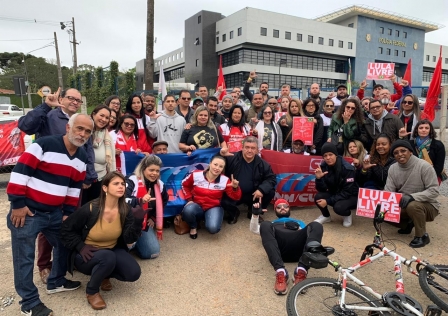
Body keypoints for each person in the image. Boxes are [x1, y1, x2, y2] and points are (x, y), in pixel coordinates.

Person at [7, 113, 92, 316]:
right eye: (79, 128)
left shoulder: (81, 157)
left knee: (65, 243)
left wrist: (68, 214)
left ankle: (56, 281)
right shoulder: (44, 144)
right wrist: (17, 204)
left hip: (54, 213)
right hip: (27, 212)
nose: (82, 134)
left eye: (87, 131)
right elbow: (20, 172)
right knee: (24, 258)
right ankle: (28, 303)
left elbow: (74, 188)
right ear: (68, 128)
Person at [18, 87, 97, 285]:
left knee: (65, 225)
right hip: (44, 184)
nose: (74, 102)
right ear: (61, 98)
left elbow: (86, 151)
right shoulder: (50, 115)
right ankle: (44, 265)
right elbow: (25, 126)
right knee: (44, 228)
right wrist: (45, 105)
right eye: (71, 98)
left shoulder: (83, 122)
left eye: (78, 100)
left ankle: (61, 270)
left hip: (70, 184)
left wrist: (88, 177)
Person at [60, 171, 143, 310]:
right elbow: (65, 230)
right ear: (105, 188)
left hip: (111, 249)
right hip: (87, 254)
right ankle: (92, 291)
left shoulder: (125, 209)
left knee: (133, 273)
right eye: (116, 184)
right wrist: (80, 246)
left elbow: (129, 239)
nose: (121, 186)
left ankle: (104, 274)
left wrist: (137, 222)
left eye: (123, 184)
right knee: (107, 257)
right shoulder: (91, 208)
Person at [250, 199, 325, 294]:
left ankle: (301, 270)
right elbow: (254, 229)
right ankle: (281, 272)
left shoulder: (299, 222)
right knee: (265, 224)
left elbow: (309, 236)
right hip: (279, 252)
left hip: (300, 251)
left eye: (285, 206)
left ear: (289, 209)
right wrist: (255, 215)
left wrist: (298, 227)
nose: (282, 208)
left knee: (316, 225)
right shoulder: (272, 224)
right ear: (275, 210)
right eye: (279, 207)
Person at [385, 140, 440, 248]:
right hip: (404, 203)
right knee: (383, 212)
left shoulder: (424, 166)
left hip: (428, 205)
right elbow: (389, 191)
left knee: (413, 206)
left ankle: (422, 236)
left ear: (410, 152)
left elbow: (434, 190)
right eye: (396, 153)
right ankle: (409, 224)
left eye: (403, 151)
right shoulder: (393, 168)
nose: (400, 154)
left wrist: (412, 197)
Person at [181, 155, 241, 238]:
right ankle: (193, 226)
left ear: (223, 169)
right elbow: (184, 185)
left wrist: (235, 188)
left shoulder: (225, 180)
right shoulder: (196, 175)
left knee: (213, 229)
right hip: (197, 204)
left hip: (213, 206)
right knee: (188, 210)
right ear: (210, 164)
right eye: (215, 164)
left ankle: (209, 217)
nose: (217, 168)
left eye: (220, 166)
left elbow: (236, 197)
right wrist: (189, 199)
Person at [220, 136, 277, 224]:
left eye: (253, 148)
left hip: (253, 195)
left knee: (270, 192)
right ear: (242, 148)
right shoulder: (231, 158)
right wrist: (220, 154)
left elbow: (271, 179)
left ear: (257, 150)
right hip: (234, 193)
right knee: (220, 195)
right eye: (247, 147)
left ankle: (253, 211)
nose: (249, 151)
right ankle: (234, 212)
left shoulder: (263, 164)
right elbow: (214, 164)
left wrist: (261, 189)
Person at [126, 155, 168, 259]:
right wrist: (140, 200)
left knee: (152, 252)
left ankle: (136, 242)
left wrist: (153, 218)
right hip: (127, 221)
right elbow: (122, 200)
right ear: (143, 168)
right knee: (123, 249)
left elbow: (163, 202)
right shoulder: (132, 180)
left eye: (157, 171)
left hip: (143, 223)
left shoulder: (160, 185)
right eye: (151, 170)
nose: (154, 174)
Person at [314, 143, 359, 227]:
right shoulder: (323, 167)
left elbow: (347, 192)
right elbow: (322, 189)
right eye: (325, 155)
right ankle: (326, 216)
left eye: (330, 154)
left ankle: (347, 214)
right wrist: (319, 179)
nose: (328, 158)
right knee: (318, 197)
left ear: (336, 155)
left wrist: (328, 201)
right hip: (337, 192)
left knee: (338, 207)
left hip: (351, 196)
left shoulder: (347, 168)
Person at [82, 105, 116, 205]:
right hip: (82, 182)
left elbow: (112, 161)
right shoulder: (83, 133)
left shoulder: (107, 137)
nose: (103, 119)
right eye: (101, 115)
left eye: (107, 118)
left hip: (100, 181)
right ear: (93, 114)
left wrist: (112, 182)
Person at [409, 119, 446, 184]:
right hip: (413, 176)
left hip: (433, 175)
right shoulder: (410, 144)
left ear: (430, 130)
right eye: (421, 128)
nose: (424, 130)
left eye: (426, 128)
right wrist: (401, 137)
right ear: (417, 130)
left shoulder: (438, 145)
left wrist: (430, 177)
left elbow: (439, 166)